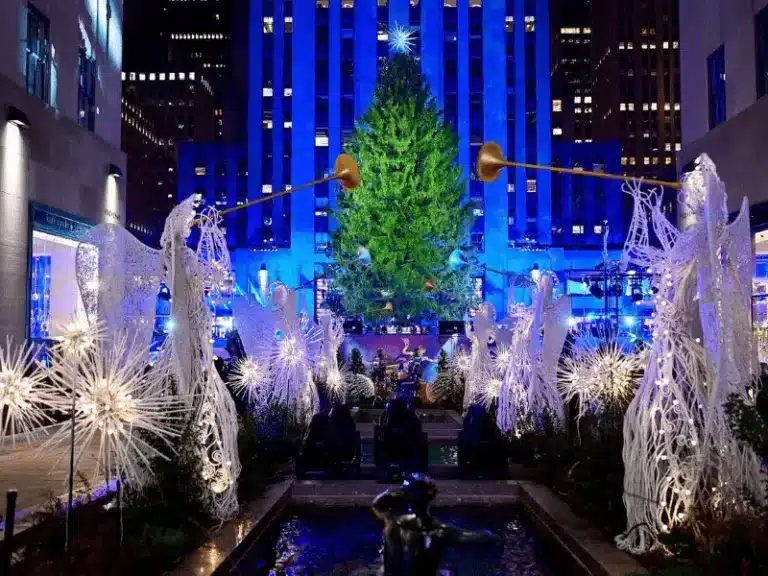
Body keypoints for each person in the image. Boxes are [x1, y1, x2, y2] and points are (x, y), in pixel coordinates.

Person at [371, 473, 499, 575]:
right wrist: (490, 535)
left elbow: (377, 504)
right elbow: (480, 538)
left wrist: (392, 494)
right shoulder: (440, 531)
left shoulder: (393, 524)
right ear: (430, 498)